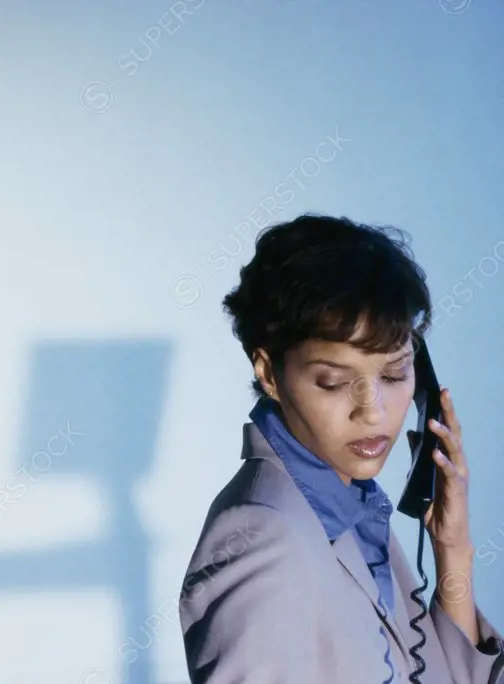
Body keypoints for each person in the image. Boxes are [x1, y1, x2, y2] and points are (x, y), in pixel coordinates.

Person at [178, 214, 504, 683]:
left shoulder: (355, 512)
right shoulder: (262, 538)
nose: (372, 412)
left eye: (393, 375)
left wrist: (451, 551)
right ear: (269, 373)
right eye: (333, 382)